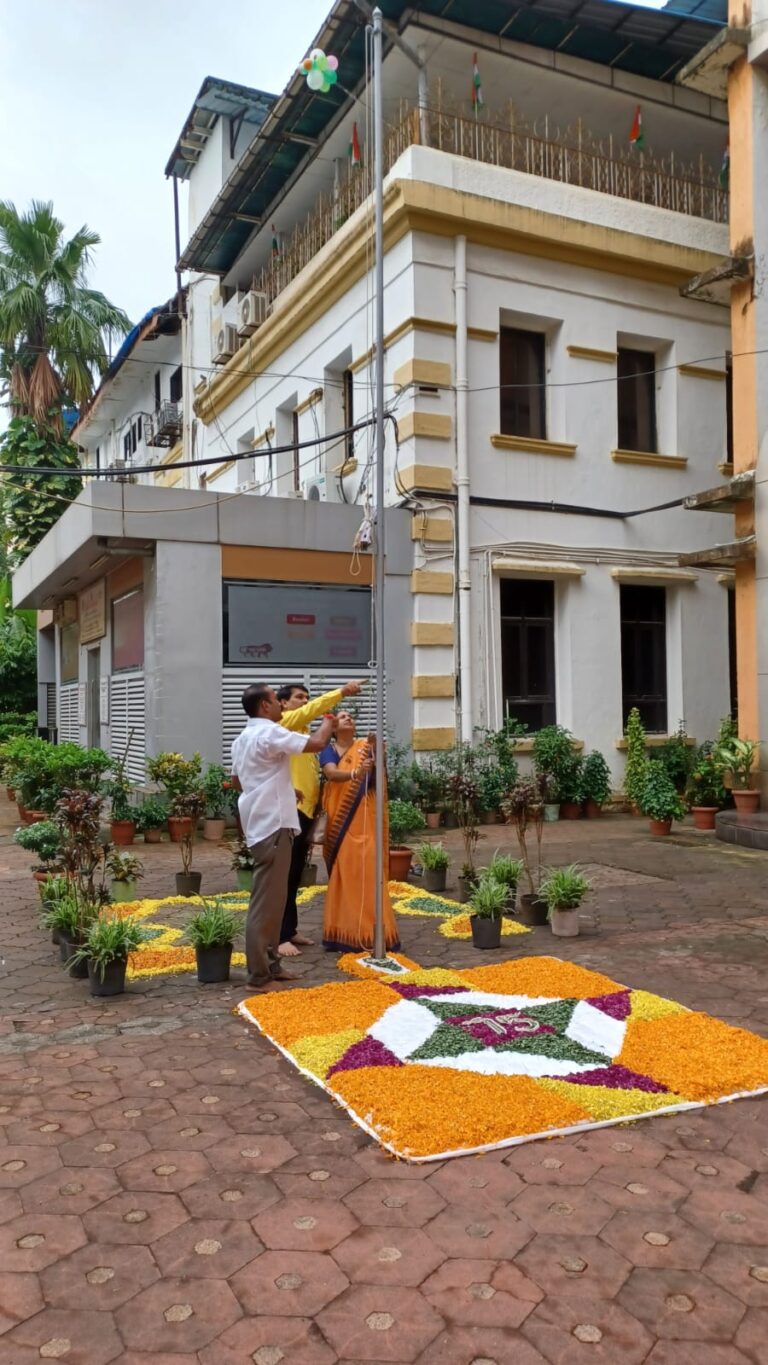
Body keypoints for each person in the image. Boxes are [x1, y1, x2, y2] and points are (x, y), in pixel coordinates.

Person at [231, 683, 336, 992]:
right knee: (266, 904)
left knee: (273, 902)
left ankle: (270, 964)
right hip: (273, 826)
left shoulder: (242, 739)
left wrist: (283, 791)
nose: (280, 705)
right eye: (276, 700)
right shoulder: (269, 732)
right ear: (265, 706)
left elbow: (240, 781)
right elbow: (317, 743)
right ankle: (259, 973)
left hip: (262, 824)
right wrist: (328, 719)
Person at [276, 679, 365, 957]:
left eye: (306, 697)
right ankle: (278, 937)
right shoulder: (285, 723)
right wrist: (342, 692)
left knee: (294, 876)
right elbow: (314, 712)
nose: (304, 702)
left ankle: (289, 930)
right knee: (282, 876)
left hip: (306, 812)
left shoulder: (302, 735)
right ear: (282, 703)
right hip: (289, 812)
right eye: (299, 698)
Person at [319, 711, 400, 953]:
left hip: (366, 820)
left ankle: (372, 931)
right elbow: (331, 774)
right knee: (346, 874)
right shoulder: (328, 750)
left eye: (350, 716)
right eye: (342, 717)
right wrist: (356, 773)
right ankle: (343, 933)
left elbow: (376, 781)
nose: (348, 719)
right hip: (341, 824)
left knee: (368, 872)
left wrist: (376, 754)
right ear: (333, 728)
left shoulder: (365, 746)